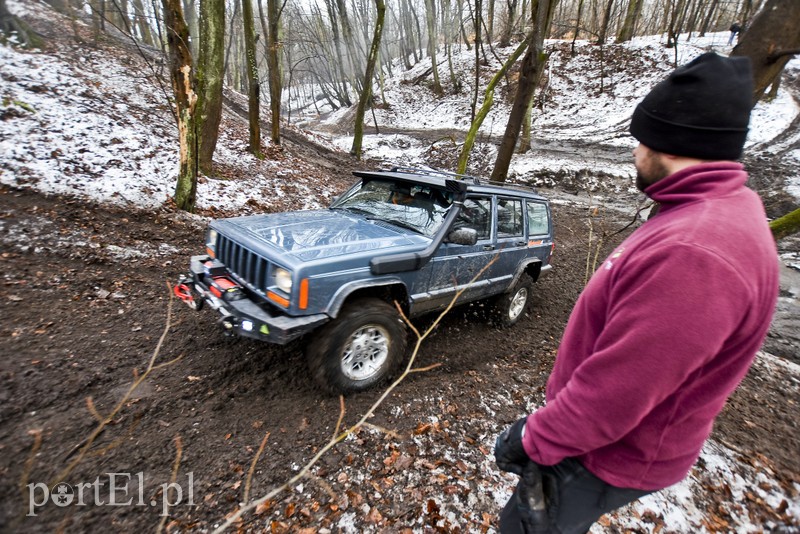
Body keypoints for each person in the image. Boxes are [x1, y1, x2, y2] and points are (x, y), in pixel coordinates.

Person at [493, 52, 779, 533]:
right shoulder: (717, 214)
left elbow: (618, 393)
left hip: (596, 453)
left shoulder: (697, 252)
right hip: (604, 440)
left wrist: (534, 437)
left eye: (639, 139)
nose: (633, 152)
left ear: (669, 142)